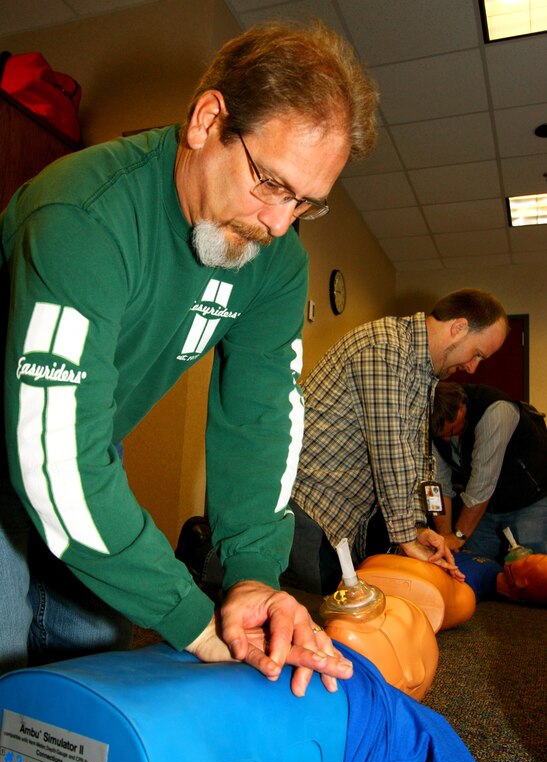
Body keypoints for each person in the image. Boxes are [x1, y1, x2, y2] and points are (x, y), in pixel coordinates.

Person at [0, 20, 380, 692]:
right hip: (30, 442)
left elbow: (259, 421)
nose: (277, 224)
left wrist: (253, 577)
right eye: (271, 183)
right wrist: (193, 620)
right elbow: (52, 460)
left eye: (305, 204)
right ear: (207, 121)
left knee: (94, 660)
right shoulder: (85, 215)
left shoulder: (276, 261)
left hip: (82, 444)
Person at [284, 289, 509, 595]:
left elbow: (416, 459)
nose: (473, 367)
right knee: (312, 608)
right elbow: (391, 451)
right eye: (478, 353)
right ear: (458, 328)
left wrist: (419, 528)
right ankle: (204, 555)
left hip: (339, 517)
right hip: (309, 506)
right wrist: (406, 534)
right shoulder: (385, 347)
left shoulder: (423, 374)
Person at [431, 381, 547, 561]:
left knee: (531, 573)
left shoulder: (494, 410)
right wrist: (444, 537)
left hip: (528, 500)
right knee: (472, 563)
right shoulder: (433, 425)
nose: (446, 440)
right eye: (441, 436)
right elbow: (436, 485)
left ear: (461, 409)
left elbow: (482, 483)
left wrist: (458, 537)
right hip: (484, 509)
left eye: (451, 431)